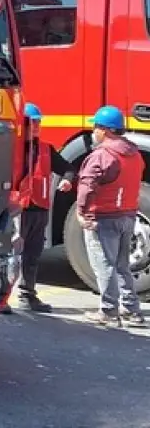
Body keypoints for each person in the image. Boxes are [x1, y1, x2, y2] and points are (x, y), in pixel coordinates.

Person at [0, 102, 75, 314]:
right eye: (32, 123)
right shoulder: (10, 150)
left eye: (38, 122)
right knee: (13, 257)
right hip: (19, 210)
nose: (36, 126)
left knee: (33, 255)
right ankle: (0, 298)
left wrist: (67, 180)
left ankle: (28, 294)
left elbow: (67, 168)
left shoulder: (46, 149)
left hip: (40, 210)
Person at [76, 105, 147, 327]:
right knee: (122, 265)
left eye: (96, 127)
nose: (93, 132)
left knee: (104, 265)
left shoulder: (103, 156)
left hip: (103, 216)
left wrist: (82, 212)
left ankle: (108, 310)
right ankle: (132, 311)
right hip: (127, 215)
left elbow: (87, 186)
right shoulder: (134, 154)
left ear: (105, 130)